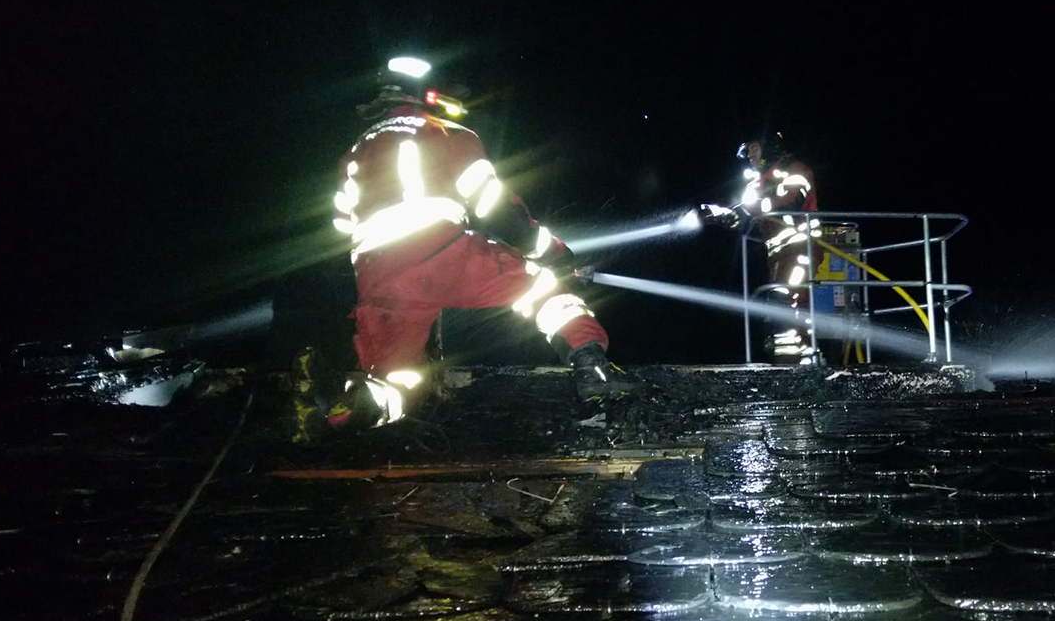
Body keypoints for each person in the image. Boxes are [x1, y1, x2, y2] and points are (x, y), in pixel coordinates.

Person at [323, 55, 625, 431]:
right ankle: (595, 373)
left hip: (378, 274)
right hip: (441, 251)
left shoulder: (352, 156)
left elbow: (341, 228)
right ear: (425, 96)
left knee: (398, 383)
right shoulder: (447, 134)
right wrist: (552, 253)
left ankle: (348, 407)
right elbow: (495, 206)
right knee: (546, 291)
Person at [700, 132, 823, 363]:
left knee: (785, 300)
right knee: (783, 304)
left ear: (769, 147)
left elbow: (790, 202)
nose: (750, 155)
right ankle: (798, 361)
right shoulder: (757, 183)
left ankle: (795, 363)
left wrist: (748, 210)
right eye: (747, 151)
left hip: (801, 247)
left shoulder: (794, 170)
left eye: (754, 148)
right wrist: (725, 216)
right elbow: (749, 217)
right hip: (778, 254)